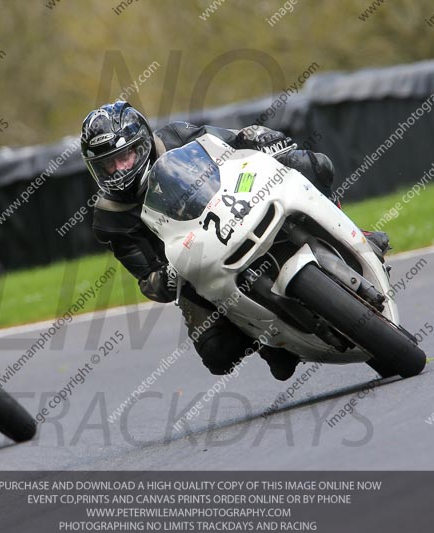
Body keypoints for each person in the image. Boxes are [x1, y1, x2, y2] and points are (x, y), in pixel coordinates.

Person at [81, 101, 390, 382]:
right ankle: (271, 342)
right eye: (108, 165)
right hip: (194, 266)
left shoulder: (176, 136)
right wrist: (166, 277)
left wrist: (261, 138)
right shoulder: (110, 218)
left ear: (144, 143)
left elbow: (232, 141)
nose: (118, 170)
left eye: (124, 157)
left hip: (237, 203)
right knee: (218, 353)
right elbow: (147, 278)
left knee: (312, 164)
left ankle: (352, 235)